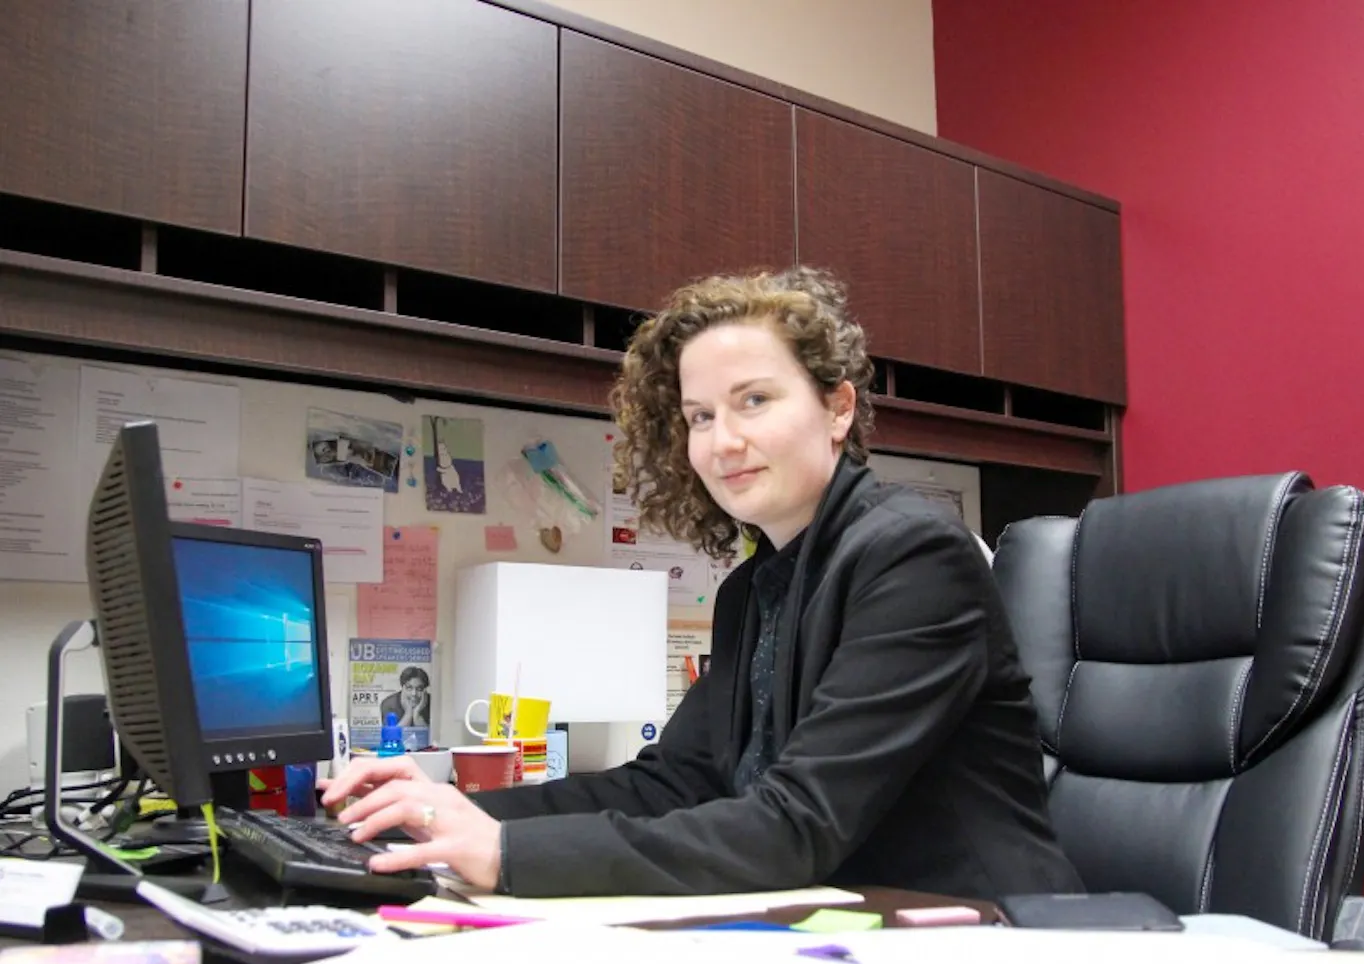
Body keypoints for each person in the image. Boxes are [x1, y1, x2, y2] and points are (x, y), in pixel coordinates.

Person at [321, 267, 1082, 900]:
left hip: (989, 938)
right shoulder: (754, 588)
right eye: (700, 415)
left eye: (755, 399)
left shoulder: (914, 556)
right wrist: (453, 810)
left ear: (838, 406)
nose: (725, 441)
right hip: (852, 924)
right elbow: (675, 780)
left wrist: (511, 852)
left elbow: (797, 825)